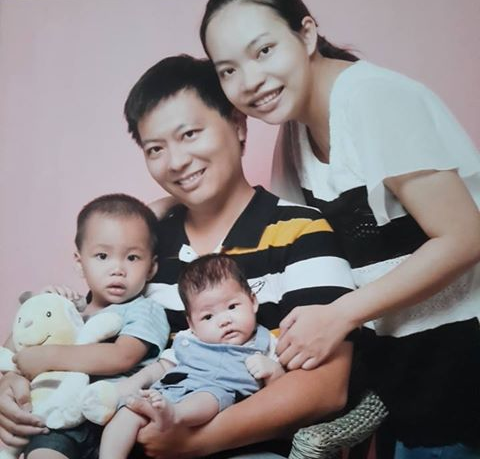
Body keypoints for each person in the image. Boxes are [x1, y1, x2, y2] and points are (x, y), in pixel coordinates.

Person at [0, 54, 355, 459]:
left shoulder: (301, 231)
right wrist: (9, 377)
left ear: (238, 125)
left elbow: (326, 389)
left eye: (189, 134)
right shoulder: (145, 248)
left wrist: (195, 442)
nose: (176, 162)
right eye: (155, 149)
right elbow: (74, 318)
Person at [199, 0, 480, 459]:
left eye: (264, 50)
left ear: (307, 34)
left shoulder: (374, 99)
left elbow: (465, 236)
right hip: (401, 373)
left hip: (463, 360)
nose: (250, 81)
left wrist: (340, 315)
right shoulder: (295, 131)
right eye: (228, 70)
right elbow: (290, 236)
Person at [5, 193, 169, 459]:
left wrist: (49, 356)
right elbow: (15, 349)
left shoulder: (144, 309)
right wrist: (42, 308)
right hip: (59, 418)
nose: (117, 269)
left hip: (116, 420)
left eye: (132, 258)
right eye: (102, 256)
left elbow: (123, 356)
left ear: (151, 268)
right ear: (80, 263)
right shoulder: (71, 310)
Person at [89, 253, 284, 459]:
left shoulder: (266, 343)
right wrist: (134, 383)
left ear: (253, 302)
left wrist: (273, 371)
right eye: (208, 316)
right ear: (192, 324)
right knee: (127, 412)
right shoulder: (188, 339)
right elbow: (163, 366)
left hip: (215, 405)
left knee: (210, 396)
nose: (224, 320)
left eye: (232, 307)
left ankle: (175, 414)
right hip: (166, 393)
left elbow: (281, 391)